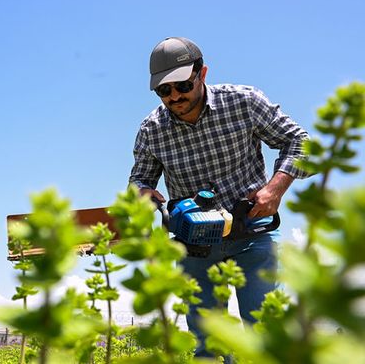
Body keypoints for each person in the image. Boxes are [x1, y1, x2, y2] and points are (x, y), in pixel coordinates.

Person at [128, 36, 310, 358]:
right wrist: (142, 192)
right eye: (164, 91)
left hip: (253, 232)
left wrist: (274, 188)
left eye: (182, 85)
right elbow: (139, 179)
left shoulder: (244, 102)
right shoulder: (151, 130)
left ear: (203, 73)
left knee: (266, 330)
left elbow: (300, 143)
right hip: (195, 245)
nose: (174, 97)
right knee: (206, 340)